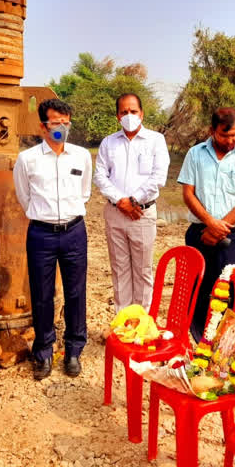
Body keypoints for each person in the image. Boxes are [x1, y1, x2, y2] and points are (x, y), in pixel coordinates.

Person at [13, 98, 92, 380]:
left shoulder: (81, 156)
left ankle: (73, 351)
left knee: (75, 292)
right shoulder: (28, 159)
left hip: (74, 232)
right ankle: (44, 352)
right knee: (43, 295)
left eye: (66, 122)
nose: (61, 127)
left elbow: (85, 193)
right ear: (42, 126)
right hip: (41, 234)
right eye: (55, 122)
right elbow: (24, 197)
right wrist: (44, 217)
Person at [177, 107, 235, 342]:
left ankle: (225, 350)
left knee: (231, 291)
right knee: (198, 290)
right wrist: (208, 223)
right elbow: (188, 194)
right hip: (199, 234)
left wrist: (219, 227)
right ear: (212, 131)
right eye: (225, 136)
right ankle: (197, 343)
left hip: (233, 238)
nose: (231, 140)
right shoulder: (195, 154)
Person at [94, 93, 170, 312]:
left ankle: (142, 323)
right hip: (115, 213)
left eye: (133, 111)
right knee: (119, 270)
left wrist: (134, 200)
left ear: (142, 113)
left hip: (142, 214)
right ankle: (122, 322)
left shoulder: (156, 141)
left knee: (143, 270)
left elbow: (158, 177)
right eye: (124, 112)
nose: (129, 116)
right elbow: (100, 176)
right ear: (118, 116)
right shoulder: (109, 143)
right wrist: (121, 201)